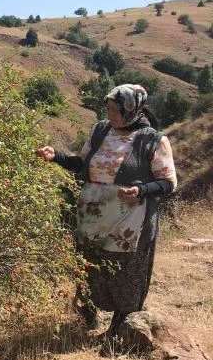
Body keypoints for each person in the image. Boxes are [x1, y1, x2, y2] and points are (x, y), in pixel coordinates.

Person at [36, 84, 177, 335]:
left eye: (115, 110)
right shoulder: (101, 130)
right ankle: (88, 316)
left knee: (125, 273)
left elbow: (168, 182)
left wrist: (141, 191)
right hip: (92, 217)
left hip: (130, 222)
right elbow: (81, 164)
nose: (110, 114)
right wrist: (56, 156)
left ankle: (119, 330)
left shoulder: (153, 140)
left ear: (132, 109)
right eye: (108, 108)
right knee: (88, 267)